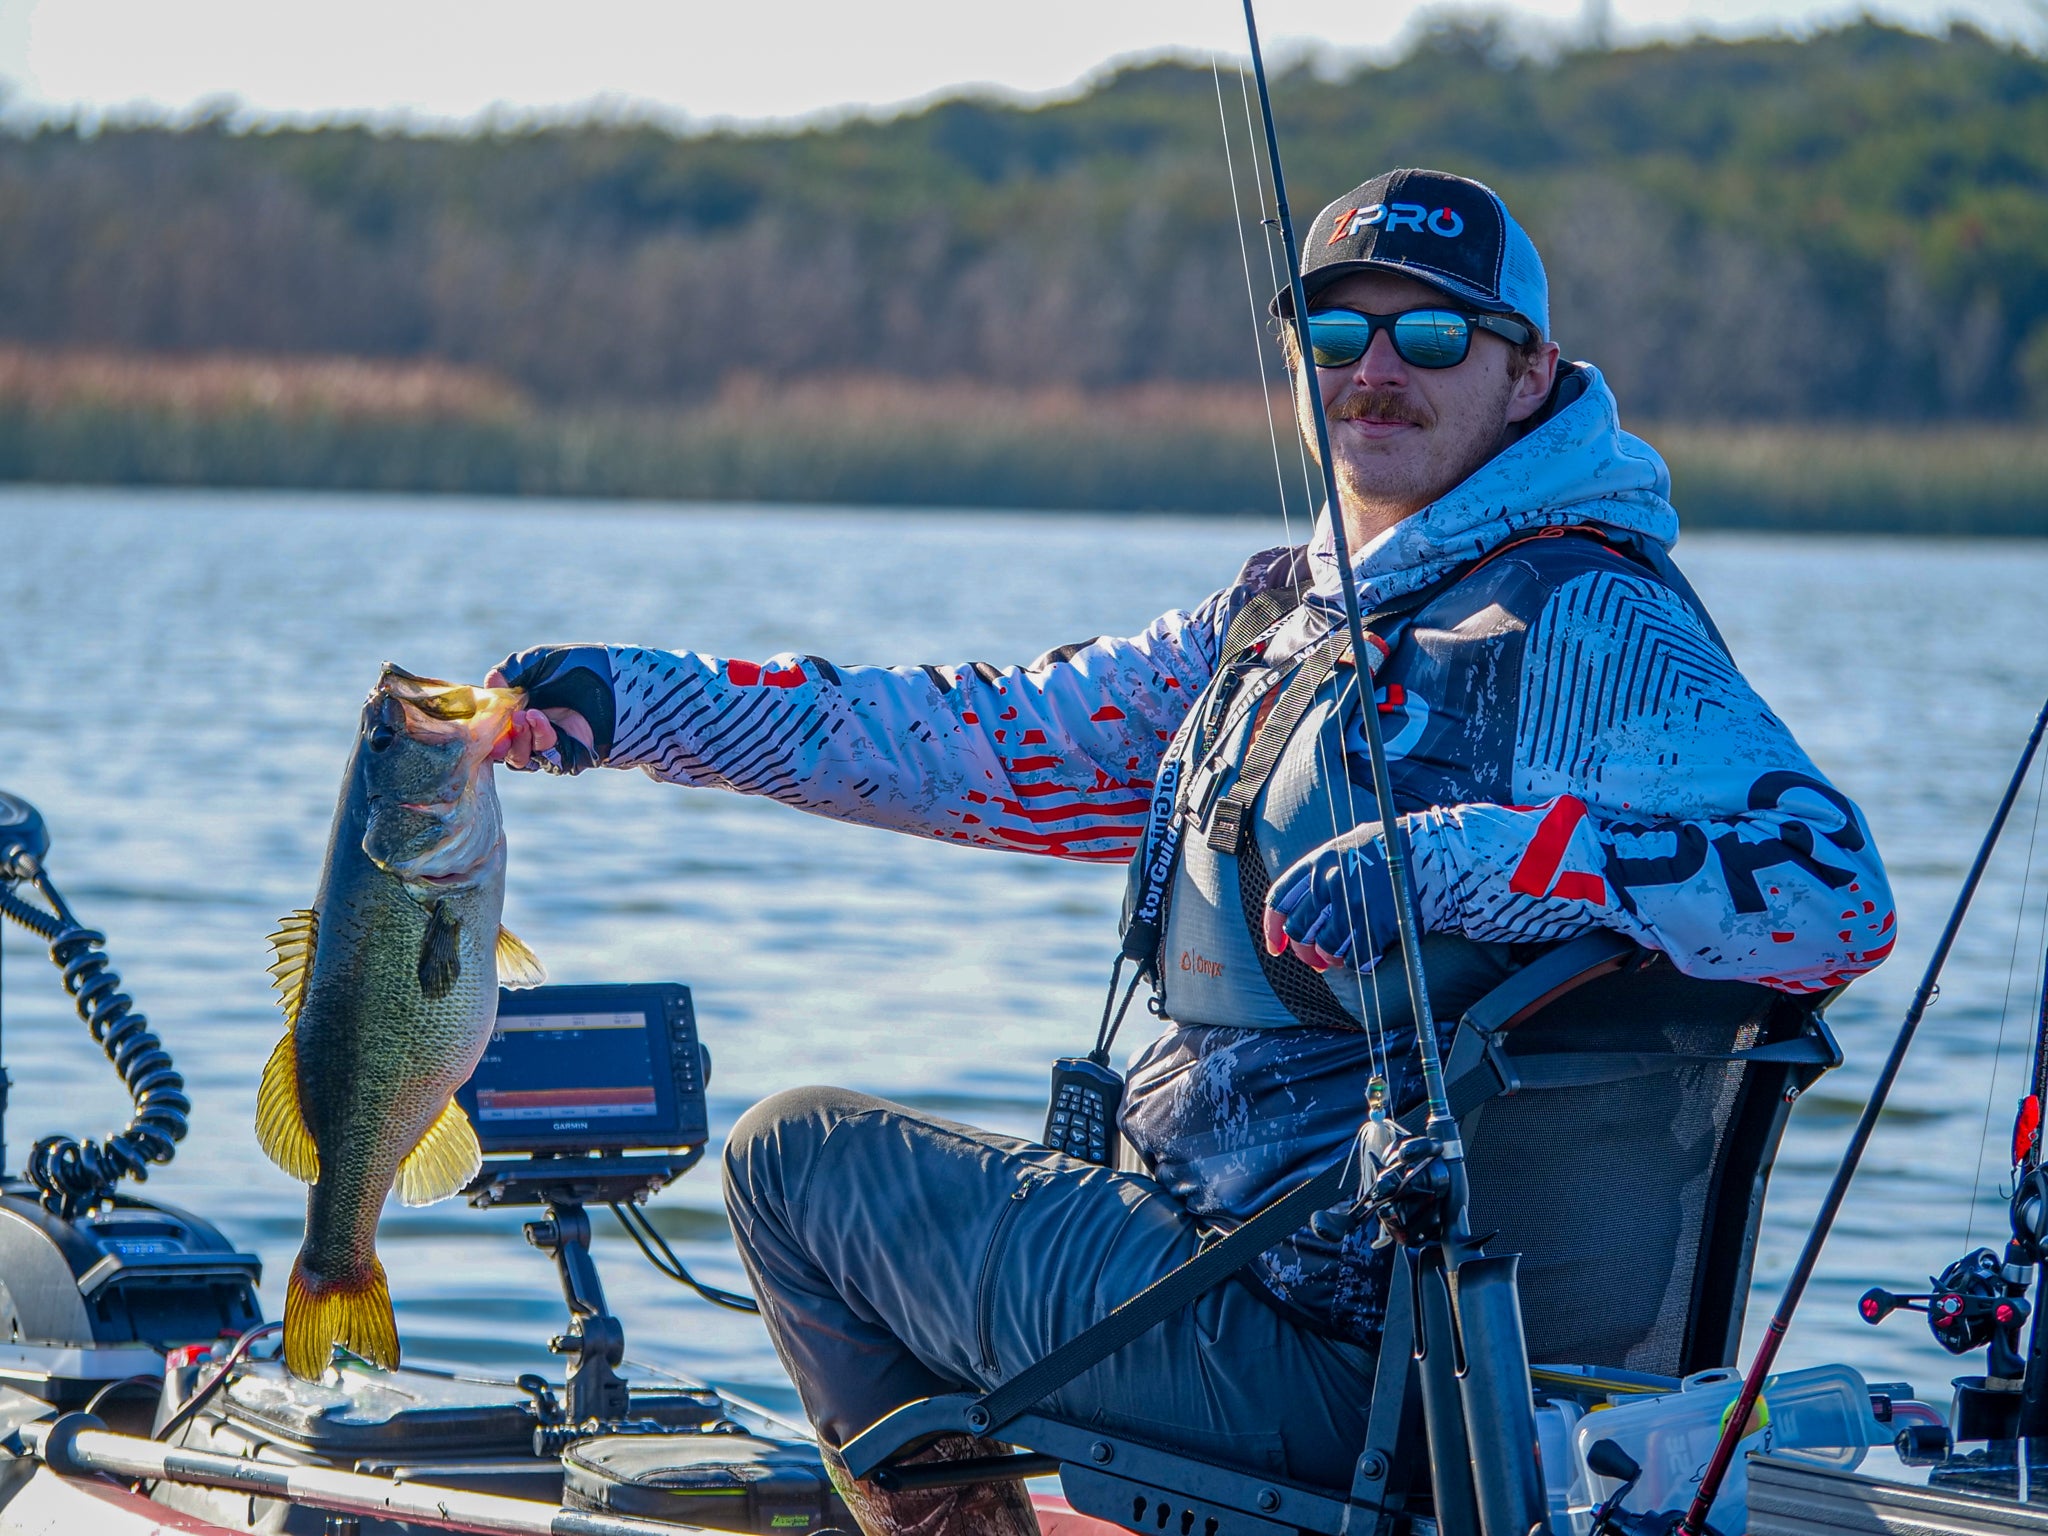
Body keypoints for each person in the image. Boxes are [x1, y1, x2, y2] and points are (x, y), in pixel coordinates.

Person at [487, 169, 1895, 1536]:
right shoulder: (1296, 615)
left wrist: (1481, 857)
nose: (1375, 371)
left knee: (792, 1164)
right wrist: (640, 702)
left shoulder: (1587, 616)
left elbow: (1836, 894)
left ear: (1529, 376)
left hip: (1325, 1354)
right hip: (1314, 1318)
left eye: (1433, 334)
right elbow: (979, 741)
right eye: (1337, 335)